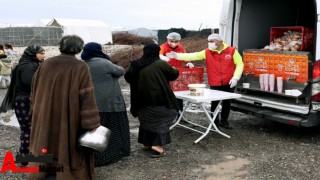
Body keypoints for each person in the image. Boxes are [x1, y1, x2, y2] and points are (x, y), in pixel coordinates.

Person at [29, 35, 101, 179]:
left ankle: (44, 171)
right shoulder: (80, 66)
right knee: (66, 144)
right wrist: (92, 123)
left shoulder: (46, 64)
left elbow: (34, 90)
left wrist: (35, 110)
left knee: (46, 141)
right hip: (68, 116)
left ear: (61, 46)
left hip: (45, 114)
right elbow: (87, 97)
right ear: (79, 49)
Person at [166, 33, 244, 129]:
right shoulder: (207, 52)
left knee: (227, 102)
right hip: (215, 81)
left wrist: (235, 77)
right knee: (215, 103)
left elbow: (240, 64)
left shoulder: (232, 51)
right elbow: (193, 55)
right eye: (208, 41)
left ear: (219, 41)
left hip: (229, 81)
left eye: (212, 41)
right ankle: (214, 124)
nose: (209, 43)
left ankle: (224, 121)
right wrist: (177, 56)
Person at [124, 43, 179, 158]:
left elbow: (127, 78)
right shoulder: (161, 64)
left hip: (140, 101)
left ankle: (146, 143)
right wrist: (174, 69)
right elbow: (173, 75)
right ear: (156, 52)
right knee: (166, 116)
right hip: (159, 99)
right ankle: (157, 145)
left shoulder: (135, 64)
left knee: (146, 119)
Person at [81, 42, 130, 167]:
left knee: (95, 129)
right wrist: (108, 59)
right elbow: (120, 71)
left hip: (90, 103)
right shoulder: (104, 62)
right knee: (111, 128)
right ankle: (110, 154)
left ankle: (95, 156)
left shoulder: (83, 64)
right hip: (109, 103)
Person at [0, 45, 45, 164]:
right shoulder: (27, 66)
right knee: (28, 129)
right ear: (33, 54)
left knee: (30, 129)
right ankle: (25, 157)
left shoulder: (29, 64)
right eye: (41, 53)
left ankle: (27, 155)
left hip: (25, 100)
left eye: (43, 53)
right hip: (25, 101)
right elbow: (30, 83)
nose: (43, 55)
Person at [159, 32, 194, 112]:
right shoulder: (163, 47)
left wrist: (188, 62)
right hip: (166, 73)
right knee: (167, 92)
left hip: (178, 73)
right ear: (167, 39)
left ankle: (179, 112)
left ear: (179, 41)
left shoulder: (181, 47)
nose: (173, 43)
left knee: (179, 92)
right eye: (171, 41)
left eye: (176, 41)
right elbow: (158, 55)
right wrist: (162, 57)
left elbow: (184, 56)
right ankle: (167, 111)